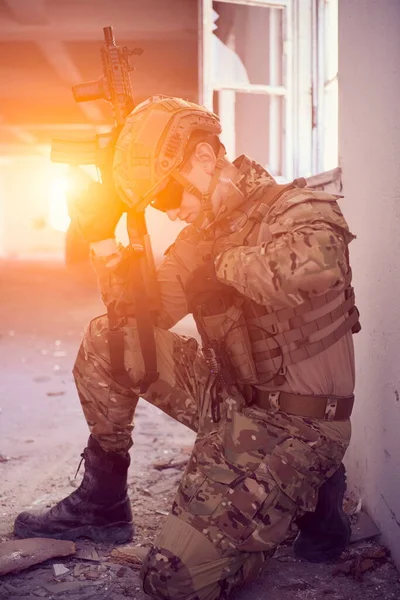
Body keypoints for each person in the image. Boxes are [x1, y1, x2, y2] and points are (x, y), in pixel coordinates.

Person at [14, 96, 359, 599]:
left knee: (170, 577)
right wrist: (104, 240)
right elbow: (137, 319)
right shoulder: (203, 237)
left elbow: (311, 269)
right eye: (157, 202)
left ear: (203, 159)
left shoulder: (298, 207)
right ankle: (104, 499)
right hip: (231, 403)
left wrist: (222, 265)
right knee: (110, 341)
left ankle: (312, 496)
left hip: (300, 425)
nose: (170, 209)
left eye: (169, 192)